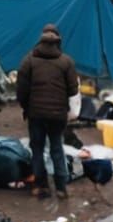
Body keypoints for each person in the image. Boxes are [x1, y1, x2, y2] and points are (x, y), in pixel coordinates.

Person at [17, 24, 78, 199]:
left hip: (35, 114)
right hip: (58, 115)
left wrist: (25, 107)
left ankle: (40, 186)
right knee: (56, 148)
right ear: (58, 40)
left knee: (37, 148)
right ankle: (61, 188)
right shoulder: (66, 61)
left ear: (41, 39)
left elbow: (21, 89)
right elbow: (73, 90)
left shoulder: (28, 60)